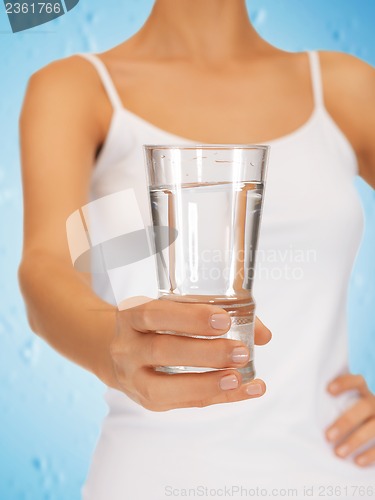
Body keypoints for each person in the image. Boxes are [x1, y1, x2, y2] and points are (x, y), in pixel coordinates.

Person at [18, 0, 375, 498]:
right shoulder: (79, 89)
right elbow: (46, 268)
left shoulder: (346, 87)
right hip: (154, 478)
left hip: (340, 476)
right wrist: (114, 347)